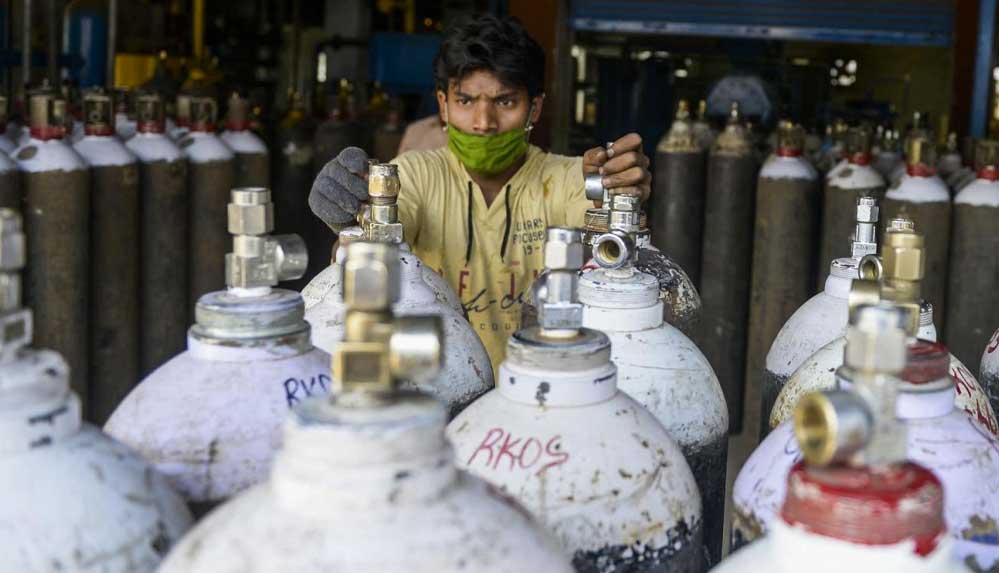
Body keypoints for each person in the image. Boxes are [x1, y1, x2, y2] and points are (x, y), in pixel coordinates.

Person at [309, 13, 651, 375]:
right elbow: (377, 236)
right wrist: (352, 219)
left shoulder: (568, 178)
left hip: (540, 387)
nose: (483, 122)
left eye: (504, 102)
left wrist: (619, 189)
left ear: (534, 107)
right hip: (435, 380)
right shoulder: (415, 173)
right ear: (443, 105)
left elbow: (610, 232)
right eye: (466, 101)